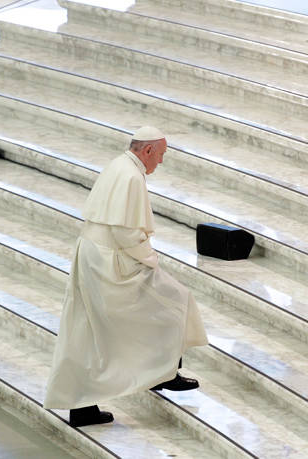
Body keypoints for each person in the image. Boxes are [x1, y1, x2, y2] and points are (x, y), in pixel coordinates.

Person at [43, 126, 209, 426]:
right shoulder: (131, 176)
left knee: (89, 332)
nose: (160, 162)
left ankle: (88, 405)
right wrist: (150, 260)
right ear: (147, 151)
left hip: (95, 254)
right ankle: (163, 373)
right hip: (112, 261)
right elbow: (125, 232)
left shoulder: (119, 165)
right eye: (160, 155)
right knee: (173, 301)